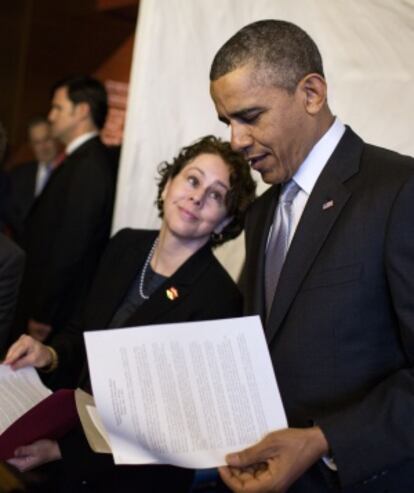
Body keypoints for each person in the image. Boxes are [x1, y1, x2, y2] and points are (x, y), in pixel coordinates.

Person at [209, 20, 414, 493]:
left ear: (312, 93)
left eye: (250, 116)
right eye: (227, 123)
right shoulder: (261, 211)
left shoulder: (399, 190)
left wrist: (324, 441)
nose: (236, 141)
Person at [5, 135, 256, 492]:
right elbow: (82, 330)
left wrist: (64, 451)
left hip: (133, 478)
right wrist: (50, 354)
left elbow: (173, 423)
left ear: (224, 221)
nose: (198, 197)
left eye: (216, 195)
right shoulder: (125, 245)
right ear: (169, 184)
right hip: (70, 447)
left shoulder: (220, 299)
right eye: (193, 179)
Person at [12, 75, 116, 345]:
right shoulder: (79, 161)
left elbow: (71, 248)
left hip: (55, 317)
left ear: (81, 111)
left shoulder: (89, 167)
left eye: (57, 108)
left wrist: (43, 313)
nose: (51, 115)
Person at [6, 116, 61, 244]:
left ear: (56, 139)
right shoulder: (18, 175)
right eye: (37, 142)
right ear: (31, 146)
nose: (43, 147)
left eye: (47, 139)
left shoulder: (70, 171)